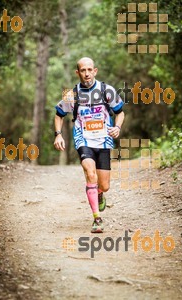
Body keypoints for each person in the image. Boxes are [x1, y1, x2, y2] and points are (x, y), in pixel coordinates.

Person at [54, 57, 125, 233]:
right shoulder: (72, 94)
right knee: (90, 173)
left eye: (89, 70)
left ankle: (99, 193)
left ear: (95, 71)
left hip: (103, 139)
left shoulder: (106, 90)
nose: (86, 73)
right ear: (77, 73)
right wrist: (58, 135)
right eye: (82, 70)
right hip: (83, 139)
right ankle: (97, 218)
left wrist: (117, 127)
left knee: (105, 185)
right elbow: (58, 115)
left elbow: (120, 113)